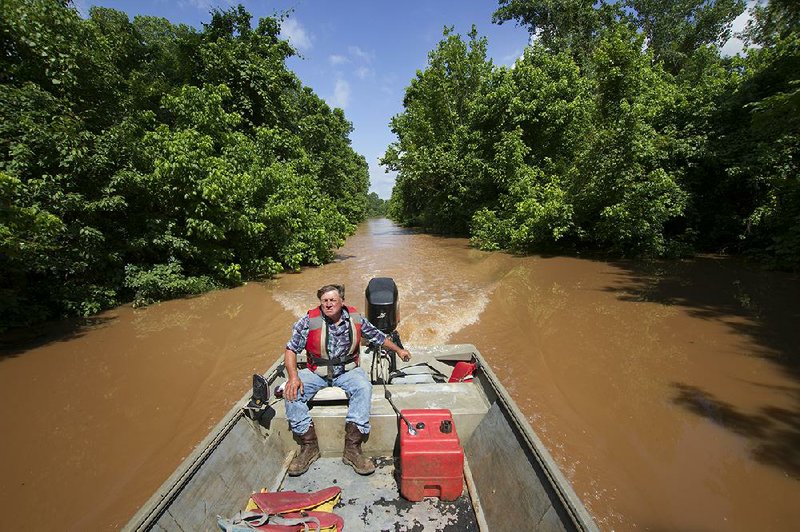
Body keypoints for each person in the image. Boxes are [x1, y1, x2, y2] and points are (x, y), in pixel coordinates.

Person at [283, 283, 411, 477]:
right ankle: (309, 446)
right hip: (316, 371)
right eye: (324, 301)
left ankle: (352, 449)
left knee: (363, 388)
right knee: (291, 393)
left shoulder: (356, 318)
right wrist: (293, 378)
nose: (328, 304)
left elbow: (377, 337)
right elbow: (291, 349)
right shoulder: (308, 321)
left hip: (348, 371)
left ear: (342, 301)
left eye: (332, 300)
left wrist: (399, 350)